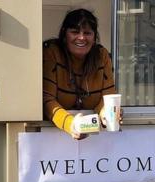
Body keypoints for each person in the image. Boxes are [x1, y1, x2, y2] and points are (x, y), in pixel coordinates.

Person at [43, 8, 119, 139]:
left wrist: (106, 115)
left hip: (95, 140)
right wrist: (70, 123)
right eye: (75, 32)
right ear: (64, 35)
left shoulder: (102, 56)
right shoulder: (51, 52)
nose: (82, 37)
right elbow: (46, 99)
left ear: (94, 37)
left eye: (88, 33)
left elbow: (108, 98)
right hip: (52, 135)